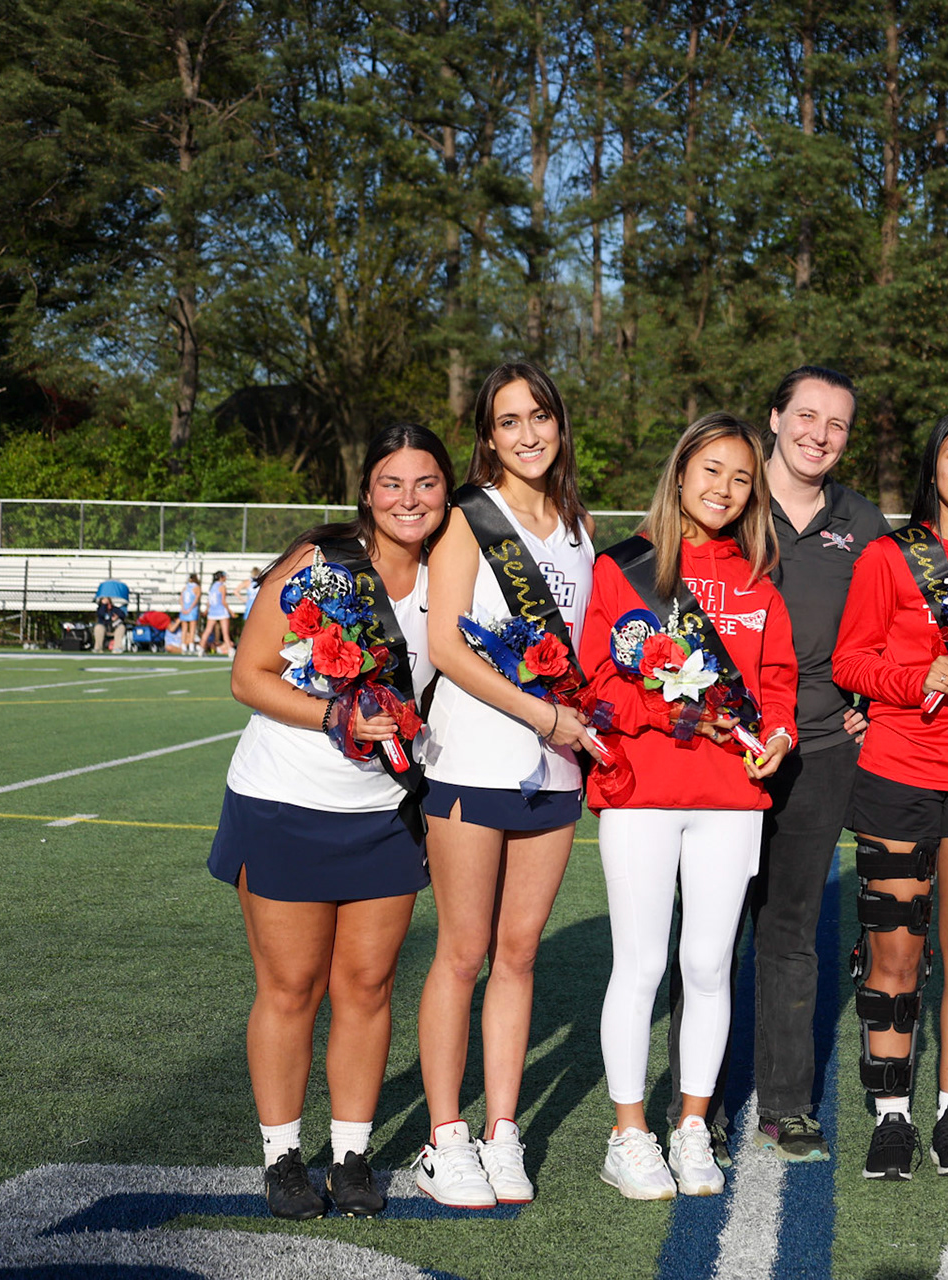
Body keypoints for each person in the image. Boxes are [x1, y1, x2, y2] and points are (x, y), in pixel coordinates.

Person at [206, 422, 451, 1220]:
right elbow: (249, 676)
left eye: (426, 483)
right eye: (392, 483)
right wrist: (334, 715)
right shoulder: (321, 564)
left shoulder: (457, 571)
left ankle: (350, 1155)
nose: (409, 500)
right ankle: (282, 1157)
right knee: (290, 988)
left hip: (387, 813)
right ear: (367, 492)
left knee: (368, 986)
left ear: (447, 491)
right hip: (285, 802)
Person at [662, 366, 888, 1167]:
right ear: (774, 418)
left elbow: (896, 625)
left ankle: (789, 1105)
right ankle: (700, 1105)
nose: (818, 434)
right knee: (709, 934)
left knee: (791, 930)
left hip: (819, 748)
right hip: (716, 751)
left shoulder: (863, 520)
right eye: (806, 416)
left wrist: (873, 693)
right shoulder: (729, 499)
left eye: (837, 423)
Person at [583, 412, 797, 1201]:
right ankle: (629, 1134)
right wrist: (671, 714)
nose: (726, 489)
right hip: (641, 791)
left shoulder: (757, 577)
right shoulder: (625, 570)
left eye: (742, 478)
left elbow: (776, 685)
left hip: (731, 797)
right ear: (680, 474)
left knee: (709, 965)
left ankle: (693, 1127)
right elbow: (598, 687)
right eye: (712, 471)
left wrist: (775, 736)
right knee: (639, 964)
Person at [415, 361, 599, 1209]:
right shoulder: (465, 519)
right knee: (463, 953)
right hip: (476, 760)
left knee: (519, 953)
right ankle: (444, 1138)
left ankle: (501, 1130)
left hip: (555, 770)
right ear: (487, 436)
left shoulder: (576, 524)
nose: (528, 433)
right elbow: (450, 650)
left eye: (541, 417)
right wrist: (542, 714)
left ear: (559, 425)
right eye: (509, 421)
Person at [831, 408, 948, 1181]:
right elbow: (850, 662)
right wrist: (915, 680)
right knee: (894, 953)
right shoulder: (888, 555)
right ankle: (890, 1116)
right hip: (897, 770)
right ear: (933, 467)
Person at [92, 581, 129, 654]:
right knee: (98, 627)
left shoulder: (114, 609)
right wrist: (104, 605)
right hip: (105, 627)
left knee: (121, 627)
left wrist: (117, 617)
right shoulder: (101, 609)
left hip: (114, 628)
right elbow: (101, 614)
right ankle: (98, 648)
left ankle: (117, 648)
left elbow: (122, 615)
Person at [203, 571, 233, 655]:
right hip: (221, 611)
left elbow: (209, 601)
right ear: (222, 577)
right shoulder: (222, 586)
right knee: (225, 632)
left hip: (212, 611)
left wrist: (207, 610)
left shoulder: (212, 586)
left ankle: (201, 648)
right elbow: (223, 601)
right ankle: (230, 650)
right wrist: (230, 611)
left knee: (207, 631)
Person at [179, 573, 201, 655]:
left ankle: (184, 646)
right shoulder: (197, 588)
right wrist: (190, 609)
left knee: (184, 629)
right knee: (192, 629)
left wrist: (183, 608)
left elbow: (181, 598)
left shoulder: (185, 587)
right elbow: (196, 599)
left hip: (184, 609)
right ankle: (191, 646)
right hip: (192, 610)